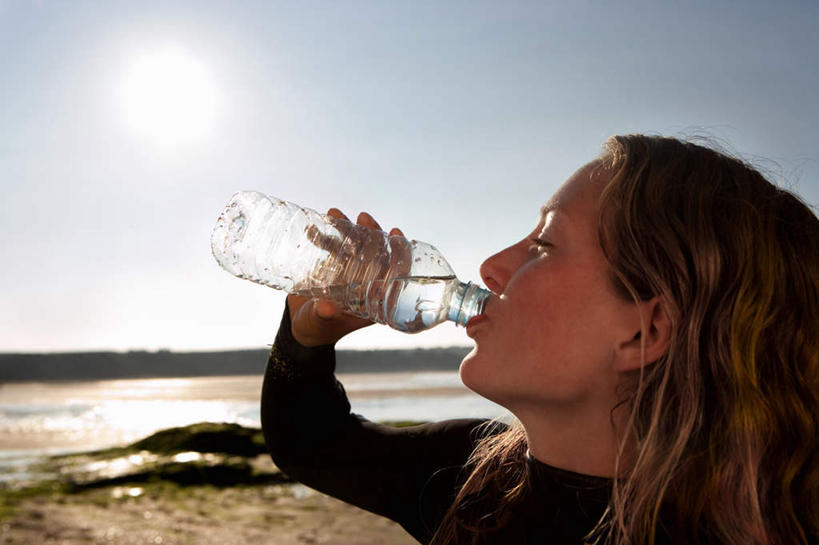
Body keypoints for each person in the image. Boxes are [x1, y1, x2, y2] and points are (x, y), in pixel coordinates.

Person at [260, 134, 819, 545]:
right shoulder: (477, 476)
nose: (491, 266)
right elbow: (310, 443)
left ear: (643, 332)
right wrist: (308, 337)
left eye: (544, 245)